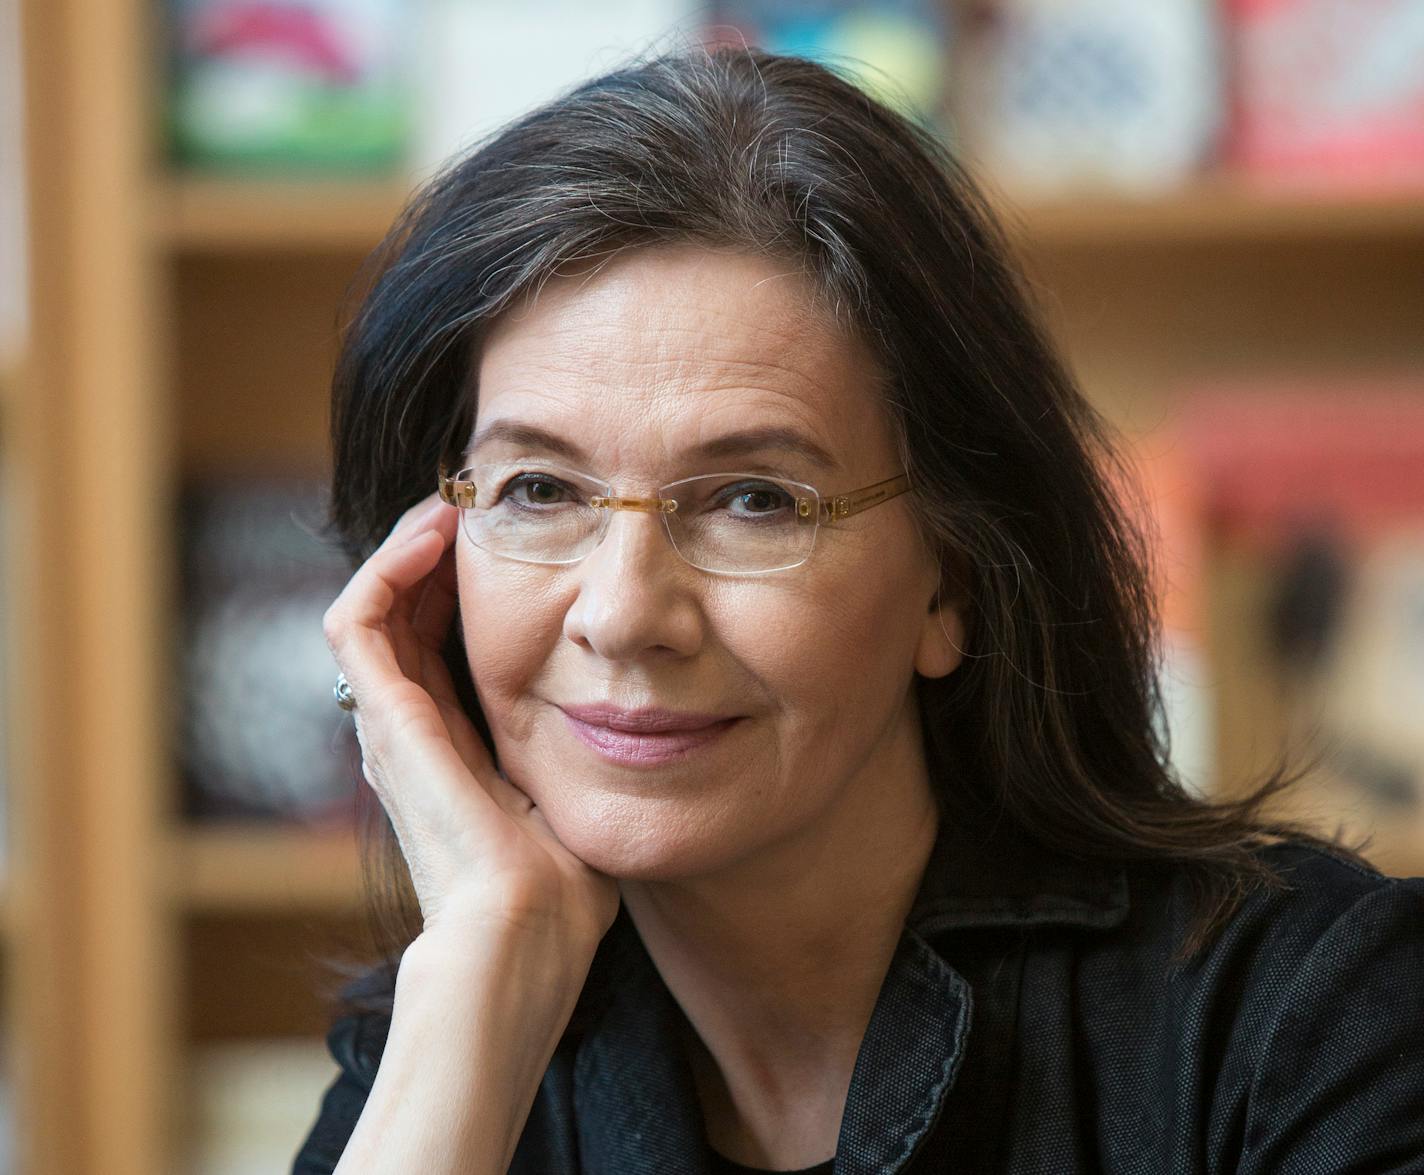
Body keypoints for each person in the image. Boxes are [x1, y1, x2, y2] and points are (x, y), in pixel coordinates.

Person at [294, 45, 1424, 1175]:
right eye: (538, 489)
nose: (624, 612)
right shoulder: (449, 1042)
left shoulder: (1309, 1020)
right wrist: (479, 972)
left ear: (955, 577)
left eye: (754, 499)